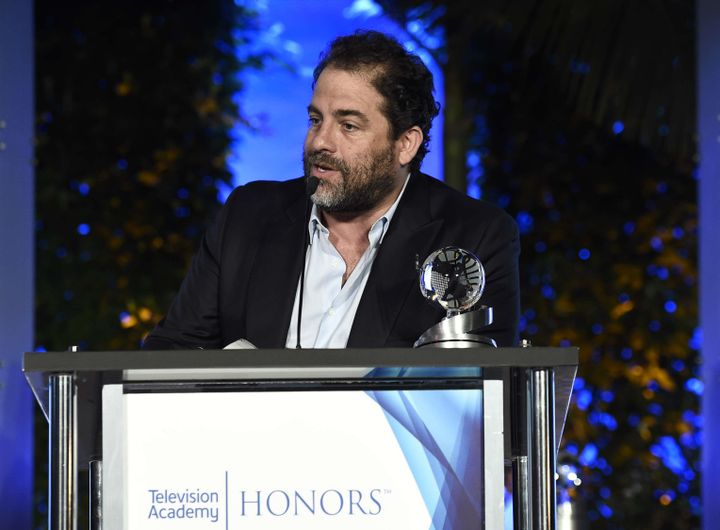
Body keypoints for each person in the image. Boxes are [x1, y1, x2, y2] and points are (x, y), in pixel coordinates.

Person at [142, 30, 520, 350]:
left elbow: (480, 399)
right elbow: (170, 354)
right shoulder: (248, 215)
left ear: (405, 144)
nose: (320, 141)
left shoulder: (475, 236)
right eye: (315, 119)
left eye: (349, 126)